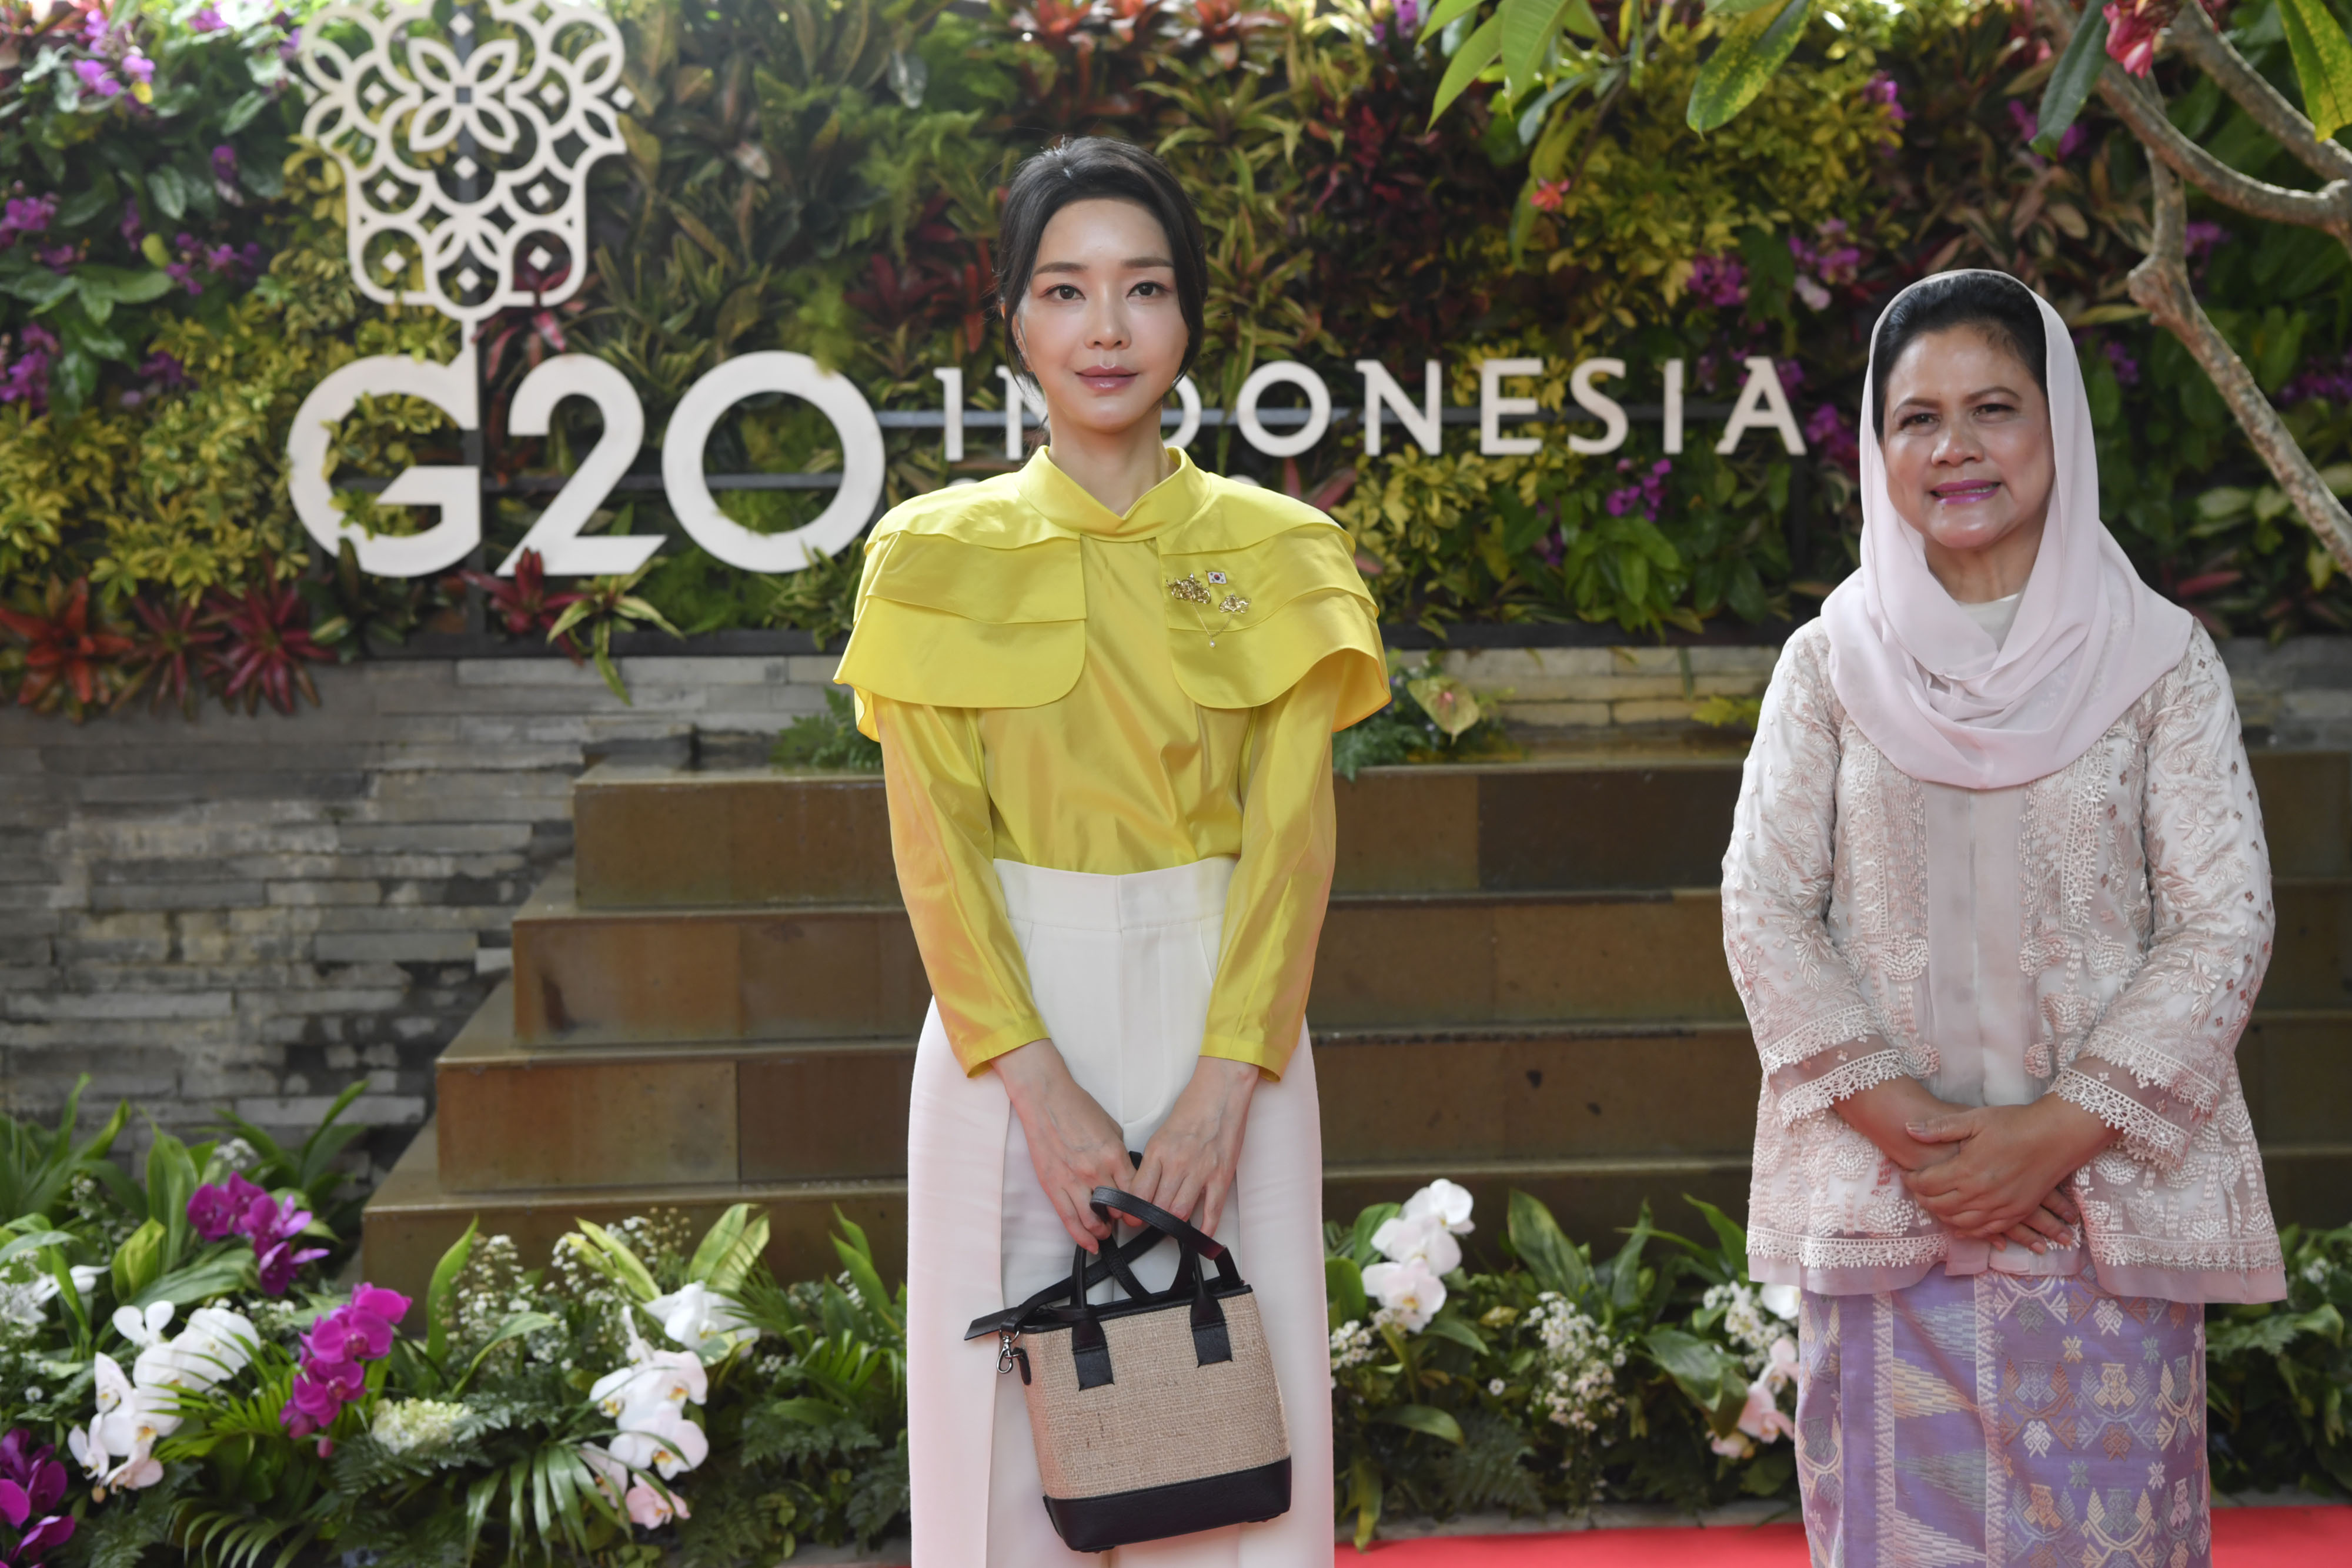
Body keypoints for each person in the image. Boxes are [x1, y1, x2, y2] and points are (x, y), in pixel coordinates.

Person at [833, 136, 1385, 1567]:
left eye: (1141, 289)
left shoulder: (1282, 550)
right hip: (1002, 1040)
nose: (1104, 327)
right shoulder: (927, 553)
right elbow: (934, 845)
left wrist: (1224, 1083)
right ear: (1012, 318)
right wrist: (1034, 1083)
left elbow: (1290, 843)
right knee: (998, 1448)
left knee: (1234, 1443)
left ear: (1187, 318)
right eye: (1066, 290)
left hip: (1234, 1025)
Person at [1721, 269, 2286, 1568]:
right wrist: (1906, 1128)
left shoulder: (2157, 660)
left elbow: (2221, 921)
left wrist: (2048, 1134)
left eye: (1992, 407)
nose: (1954, 447)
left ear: (2058, 427)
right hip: (1887, 1208)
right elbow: (1760, 903)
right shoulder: (1827, 662)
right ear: (1876, 450)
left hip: (2099, 1215)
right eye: (1914, 419)